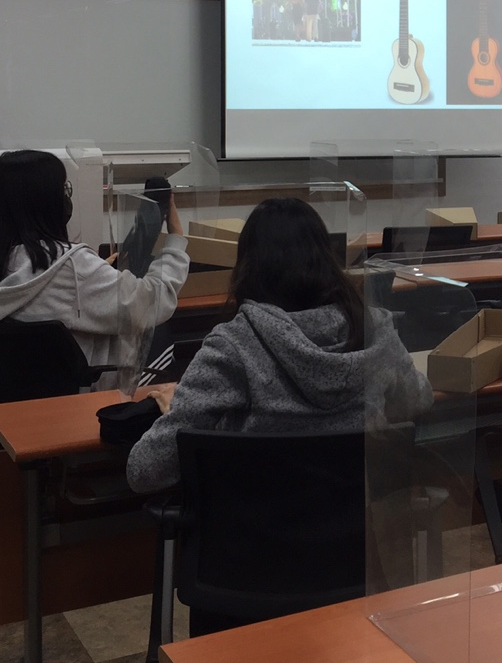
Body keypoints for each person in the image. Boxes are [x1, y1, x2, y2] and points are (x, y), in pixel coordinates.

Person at [126, 197, 433, 494]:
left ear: (247, 266)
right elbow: (417, 400)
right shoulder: (374, 330)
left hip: (255, 527)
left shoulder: (234, 345)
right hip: (355, 525)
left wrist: (178, 412)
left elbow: (144, 471)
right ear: (327, 258)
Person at [0, 150, 189, 370]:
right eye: (63, 189)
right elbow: (152, 303)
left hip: (11, 393)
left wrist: (95, 272)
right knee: (158, 334)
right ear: (48, 202)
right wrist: (176, 241)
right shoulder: (73, 267)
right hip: (88, 390)